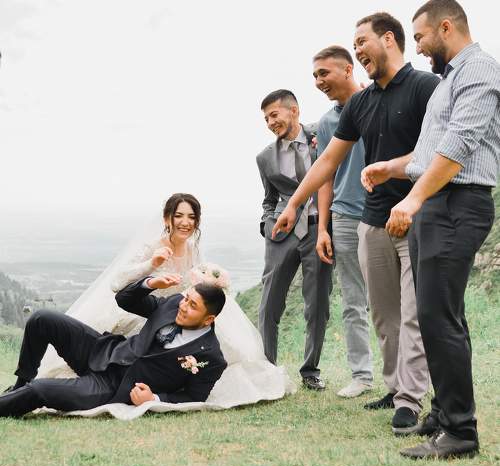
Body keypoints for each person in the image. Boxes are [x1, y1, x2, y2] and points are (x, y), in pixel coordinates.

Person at [272, 13, 440, 434]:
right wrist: (295, 204)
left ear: (389, 39)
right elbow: (328, 161)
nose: (358, 49)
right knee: (383, 315)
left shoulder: (425, 87)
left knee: (413, 314)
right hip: (371, 221)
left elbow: (439, 150)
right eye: (355, 44)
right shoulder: (360, 105)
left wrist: (394, 172)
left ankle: (410, 399)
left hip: (418, 217)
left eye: (362, 41)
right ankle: (394, 386)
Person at [362, 0, 499, 459]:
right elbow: (429, 155)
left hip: (458, 202)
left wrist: (413, 198)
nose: (417, 47)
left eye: (419, 37)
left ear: (445, 27)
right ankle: (442, 414)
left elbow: (459, 145)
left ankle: (460, 432)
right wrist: (391, 167)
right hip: (437, 202)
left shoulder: (479, 69)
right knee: (436, 315)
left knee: (440, 317)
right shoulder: (448, 81)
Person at [36, 193, 294, 415]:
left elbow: (194, 288)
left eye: (191, 217)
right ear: (167, 218)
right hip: (145, 310)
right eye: (179, 216)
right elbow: (117, 283)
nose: (185, 222)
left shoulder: (192, 249)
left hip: (179, 315)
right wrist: (151, 267)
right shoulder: (153, 247)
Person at [0, 282, 227, 417]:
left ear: (208, 319)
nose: (183, 306)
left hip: (111, 387)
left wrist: (154, 398)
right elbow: (124, 299)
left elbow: (194, 397)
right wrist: (149, 284)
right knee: (42, 319)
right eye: (186, 299)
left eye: (192, 306)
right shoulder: (173, 303)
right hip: (104, 351)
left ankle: (14, 398)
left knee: (39, 389)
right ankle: (19, 383)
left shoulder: (210, 357)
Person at [257, 89, 333, 391]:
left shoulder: (322, 135)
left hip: (318, 229)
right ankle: (267, 369)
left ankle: (310, 370)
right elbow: (268, 198)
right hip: (282, 232)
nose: (270, 123)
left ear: (294, 111)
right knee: (269, 304)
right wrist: (266, 224)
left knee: (317, 304)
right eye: (266, 119)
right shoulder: (265, 157)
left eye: (274, 115)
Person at [312, 45, 373, 398]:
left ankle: (408, 377)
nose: (319, 81)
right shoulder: (327, 123)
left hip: (386, 212)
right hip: (346, 216)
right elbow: (326, 177)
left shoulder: (378, 102)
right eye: (315, 76)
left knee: (398, 300)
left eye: (324, 73)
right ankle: (362, 376)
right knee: (353, 301)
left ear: (348, 69)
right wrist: (323, 227)